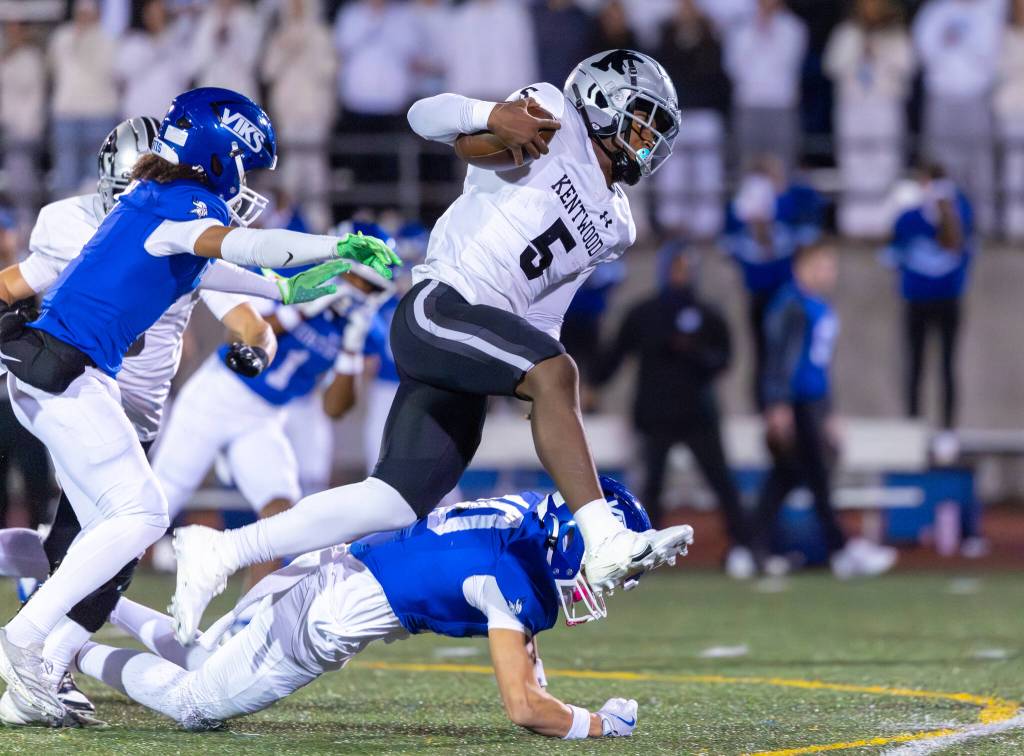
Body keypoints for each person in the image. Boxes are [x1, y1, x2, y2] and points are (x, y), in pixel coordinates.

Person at [168, 50, 692, 645]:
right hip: (441, 307)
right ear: (602, 100)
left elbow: (548, 305)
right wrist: (491, 114)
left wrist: (536, 378)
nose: (649, 140)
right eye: (644, 119)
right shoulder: (553, 115)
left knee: (391, 504)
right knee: (556, 372)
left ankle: (222, 550)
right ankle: (605, 539)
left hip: (478, 341)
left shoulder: (619, 222)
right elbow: (424, 116)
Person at [0, 88, 399, 724]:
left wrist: (310, 282)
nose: (246, 179)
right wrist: (334, 246)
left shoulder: (156, 203)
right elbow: (246, 250)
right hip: (66, 374)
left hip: (66, 375)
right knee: (144, 514)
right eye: (244, 162)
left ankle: (36, 667)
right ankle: (25, 638)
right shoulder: (180, 202)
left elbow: (258, 280)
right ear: (221, 155)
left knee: (108, 528)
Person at [73, 479, 688, 737]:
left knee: (203, 651)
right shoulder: (514, 578)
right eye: (600, 564)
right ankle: (68, 647)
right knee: (194, 704)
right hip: (323, 618)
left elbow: (518, 631)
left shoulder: (529, 515)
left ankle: (88, 606)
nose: (601, 582)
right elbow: (524, 707)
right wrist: (600, 724)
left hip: (328, 561)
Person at [152, 263, 392, 589]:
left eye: (373, 288)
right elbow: (237, 333)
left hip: (265, 416)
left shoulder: (366, 329)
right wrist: (300, 312)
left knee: (280, 512)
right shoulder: (300, 279)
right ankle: (97, 587)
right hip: (217, 396)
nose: (363, 292)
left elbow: (334, 409)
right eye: (362, 281)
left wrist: (351, 348)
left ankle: (252, 612)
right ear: (345, 271)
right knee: (160, 501)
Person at [592, 241, 753, 577]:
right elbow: (616, 355)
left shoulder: (708, 315)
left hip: (698, 414)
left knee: (722, 483)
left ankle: (744, 548)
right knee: (651, 486)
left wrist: (693, 353)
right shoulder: (645, 313)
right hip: (656, 415)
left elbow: (724, 358)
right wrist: (590, 384)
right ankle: (640, 556)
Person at [754, 242, 897, 579]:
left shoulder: (818, 305)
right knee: (815, 477)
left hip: (813, 402)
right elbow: (777, 358)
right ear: (803, 266)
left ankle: (749, 545)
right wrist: (778, 404)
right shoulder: (790, 304)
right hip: (797, 402)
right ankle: (840, 550)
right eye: (823, 265)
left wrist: (829, 410)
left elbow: (818, 363)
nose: (829, 272)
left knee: (788, 476)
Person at [721, 156, 825, 409]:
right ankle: (764, 406)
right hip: (759, 293)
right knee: (763, 351)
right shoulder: (740, 211)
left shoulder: (791, 203)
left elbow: (811, 231)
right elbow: (736, 249)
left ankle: (788, 403)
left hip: (787, 295)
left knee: (789, 349)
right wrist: (757, 224)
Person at [882, 166, 975, 431]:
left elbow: (965, 252)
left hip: (948, 301)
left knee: (947, 365)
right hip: (916, 301)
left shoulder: (962, 213)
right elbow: (891, 254)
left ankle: (948, 430)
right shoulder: (908, 217)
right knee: (914, 365)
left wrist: (947, 215)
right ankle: (912, 426)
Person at [824, 0, 914, 237]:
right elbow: (831, 65)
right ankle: (855, 224)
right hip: (854, 104)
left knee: (885, 160)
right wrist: (858, 51)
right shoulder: (846, 33)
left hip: (884, 102)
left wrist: (880, 54)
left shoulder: (896, 34)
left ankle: (884, 222)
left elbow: (908, 65)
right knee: (853, 160)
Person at [913, 0, 1001, 234]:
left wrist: (961, 43)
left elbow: (992, 54)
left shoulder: (990, 10)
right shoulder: (935, 11)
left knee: (980, 165)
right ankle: (941, 227)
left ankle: (985, 226)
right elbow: (924, 50)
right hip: (941, 96)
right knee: (941, 164)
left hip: (977, 97)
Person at [653, 0, 731, 239]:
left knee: (708, 172)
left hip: (706, 114)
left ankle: (708, 226)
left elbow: (719, 81)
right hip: (675, 114)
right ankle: (672, 222)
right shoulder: (666, 41)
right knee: (672, 172)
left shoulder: (711, 42)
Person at [724, 0, 808, 172]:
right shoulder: (741, 28)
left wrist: (770, 31)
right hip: (749, 104)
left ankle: (780, 199)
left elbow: (789, 62)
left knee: (782, 166)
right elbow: (733, 65)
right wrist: (757, 31)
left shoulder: (793, 28)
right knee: (748, 166)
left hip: (781, 105)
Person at [48, 0, 118, 197]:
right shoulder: (62, 37)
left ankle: (95, 225)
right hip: (67, 115)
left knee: (98, 179)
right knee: (65, 177)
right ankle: (64, 224)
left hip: (100, 115)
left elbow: (110, 69)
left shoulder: (107, 38)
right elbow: (53, 68)